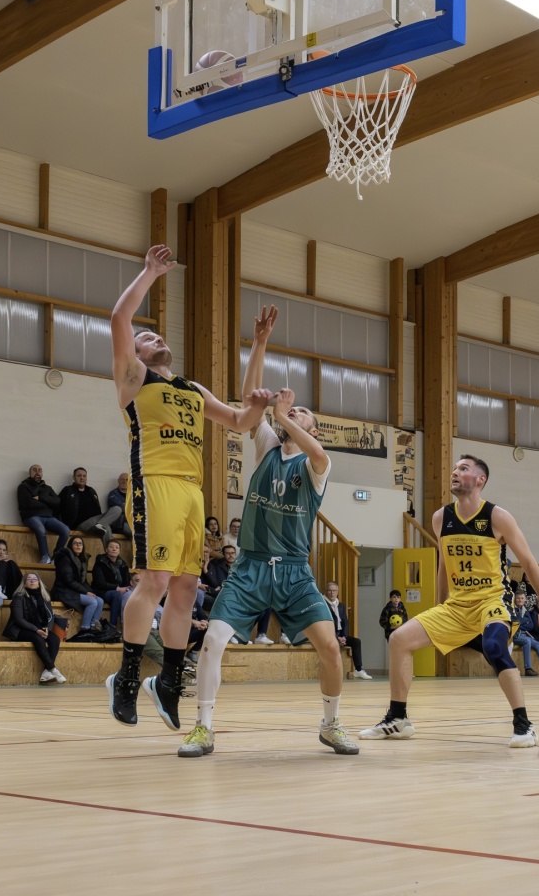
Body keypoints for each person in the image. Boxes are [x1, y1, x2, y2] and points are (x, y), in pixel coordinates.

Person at [108, 244, 271, 733]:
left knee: (184, 588)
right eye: (146, 337)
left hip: (192, 492)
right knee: (155, 580)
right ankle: (127, 678)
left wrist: (258, 355)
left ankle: (168, 682)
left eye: (157, 334)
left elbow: (241, 420)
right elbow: (119, 318)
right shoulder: (133, 378)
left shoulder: (192, 389)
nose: (153, 337)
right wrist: (150, 273)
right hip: (155, 483)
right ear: (135, 354)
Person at [185, 310, 355, 758]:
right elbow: (249, 402)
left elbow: (316, 452)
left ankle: (331, 724)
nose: (291, 413)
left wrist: (284, 413)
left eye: (301, 413)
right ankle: (203, 728)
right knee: (213, 641)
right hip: (251, 568)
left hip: (296, 573)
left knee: (330, 648)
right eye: (290, 411)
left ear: (312, 429)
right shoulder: (266, 446)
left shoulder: (317, 464)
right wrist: (259, 343)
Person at [364, 453, 539, 749]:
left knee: (494, 647)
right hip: (457, 606)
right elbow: (444, 564)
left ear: (480, 479)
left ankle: (524, 725)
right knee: (399, 639)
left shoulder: (497, 516)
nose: (455, 472)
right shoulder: (441, 517)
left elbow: (529, 562)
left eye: (463, 468)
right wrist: (440, 606)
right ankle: (398, 718)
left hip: (492, 600)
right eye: (454, 468)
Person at [7, 572, 66, 683]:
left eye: (35, 579)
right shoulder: (19, 596)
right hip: (20, 630)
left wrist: (47, 628)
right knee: (37, 638)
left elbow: (50, 616)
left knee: (54, 639)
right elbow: (19, 620)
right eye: (29, 579)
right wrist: (36, 630)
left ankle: (46, 672)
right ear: (24, 583)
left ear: (39, 583)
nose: (32, 581)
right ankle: (53, 669)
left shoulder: (44, 597)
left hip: (40, 628)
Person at [16, 465, 69, 564]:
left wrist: (40, 498)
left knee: (65, 530)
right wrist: (48, 503)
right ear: (30, 473)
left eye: (40, 470)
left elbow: (57, 502)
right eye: (35, 470)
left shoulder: (47, 488)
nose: (37, 472)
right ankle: (45, 556)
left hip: (49, 517)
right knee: (41, 530)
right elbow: (28, 504)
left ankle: (56, 556)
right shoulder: (23, 487)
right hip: (31, 517)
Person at [54, 534, 104, 631]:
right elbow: (68, 580)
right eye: (75, 543)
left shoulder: (82, 560)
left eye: (80, 543)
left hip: (75, 590)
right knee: (92, 602)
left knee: (100, 601)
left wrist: (91, 592)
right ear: (70, 546)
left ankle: (93, 627)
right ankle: (85, 628)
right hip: (63, 591)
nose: (78, 545)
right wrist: (86, 592)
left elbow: (83, 581)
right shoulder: (64, 559)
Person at [324, 580, 370, 680]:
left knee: (356, 641)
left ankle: (358, 670)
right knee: (333, 644)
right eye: (329, 590)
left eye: (334, 591)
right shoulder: (323, 605)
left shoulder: (341, 605)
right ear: (326, 592)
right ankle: (333, 672)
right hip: (329, 635)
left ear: (337, 592)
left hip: (340, 635)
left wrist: (344, 636)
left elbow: (345, 622)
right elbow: (325, 625)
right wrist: (337, 638)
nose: (332, 593)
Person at [61, 468, 117, 547]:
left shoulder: (91, 491)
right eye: (79, 476)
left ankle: (110, 552)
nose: (82, 478)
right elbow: (58, 508)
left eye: (84, 476)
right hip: (81, 524)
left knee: (117, 509)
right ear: (73, 477)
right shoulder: (68, 490)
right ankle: (112, 551)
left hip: (95, 522)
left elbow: (97, 509)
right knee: (106, 528)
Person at [92, 538, 134, 626]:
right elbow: (99, 583)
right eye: (111, 547)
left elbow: (127, 581)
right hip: (102, 591)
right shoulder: (100, 562)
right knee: (117, 594)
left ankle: (130, 625)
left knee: (130, 594)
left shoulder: (123, 564)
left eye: (116, 547)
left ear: (119, 551)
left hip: (119, 591)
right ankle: (113, 625)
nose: (114, 549)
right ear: (106, 550)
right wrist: (117, 588)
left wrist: (125, 588)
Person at [105, 474, 133, 539]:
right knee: (135, 533)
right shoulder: (113, 494)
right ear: (118, 481)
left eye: (127, 480)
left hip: (131, 522)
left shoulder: (133, 495)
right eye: (122, 480)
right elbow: (122, 508)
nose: (124, 481)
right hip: (119, 525)